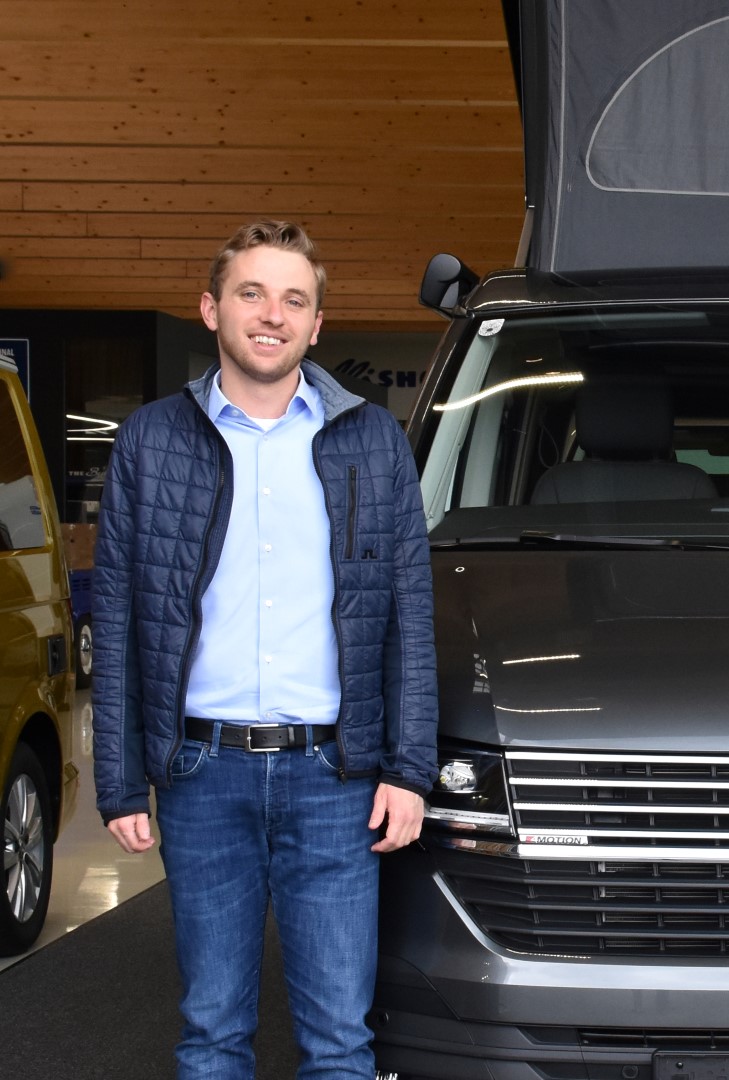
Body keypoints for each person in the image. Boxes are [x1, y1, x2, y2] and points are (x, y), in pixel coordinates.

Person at [92, 219, 439, 1079]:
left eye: (294, 299)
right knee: (211, 1032)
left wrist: (408, 769)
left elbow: (408, 615)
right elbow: (122, 614)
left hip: (337, 779)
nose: (272, 314)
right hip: (201, 774)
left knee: (341, 1041)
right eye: (251, 293)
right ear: (211, 309)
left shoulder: (372, 441)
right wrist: (119, 779)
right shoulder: (151, 440)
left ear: (317, 325)